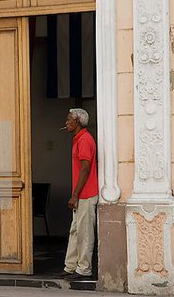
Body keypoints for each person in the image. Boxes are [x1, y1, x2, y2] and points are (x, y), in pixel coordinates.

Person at [60, 108, 98, 280]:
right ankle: (70, 266)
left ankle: (83, 269)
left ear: (77, 122)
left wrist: (75, 194)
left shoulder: (85, 140)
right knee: (75, 231)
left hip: (86, 194)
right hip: (81, 194)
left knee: (84, 233)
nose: (66, 122)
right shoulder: (79, 139)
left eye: (69, 119)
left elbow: (85, 168)